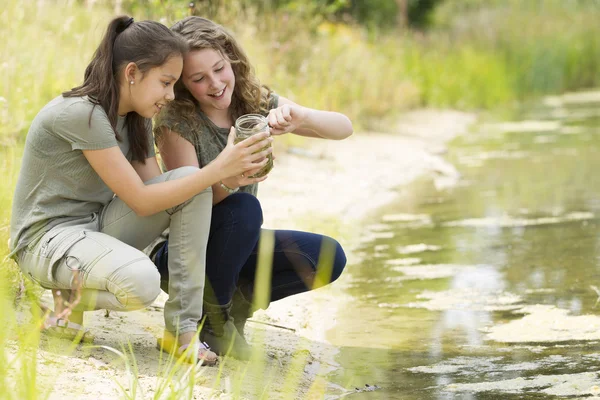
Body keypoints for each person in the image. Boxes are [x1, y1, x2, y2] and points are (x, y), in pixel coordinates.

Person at [9, 15, 273, 365]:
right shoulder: (81, 115)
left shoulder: (135, 117)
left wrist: (223, 179)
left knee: (188, 185)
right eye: (165, 82)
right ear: (132, 72)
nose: (169, 95)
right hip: (46, 241)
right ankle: (65, 299)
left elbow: (164, 190)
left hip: (95, 228)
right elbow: (142, 201)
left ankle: (182, 333)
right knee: (142, 284)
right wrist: (218, 169)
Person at [151, 16, 353, 360]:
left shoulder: (252, 102)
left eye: (219, 69)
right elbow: (183, 201)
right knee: (244, 209)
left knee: (327, 257)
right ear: (183, 84)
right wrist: (230, 177)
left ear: (231, 58)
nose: (215, 84)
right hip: (181, 254)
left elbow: (343, 128)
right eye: (199, 79)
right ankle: (212, 324)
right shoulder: (176, 123)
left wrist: (299, 117)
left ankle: (228, 311)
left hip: (235, 243)